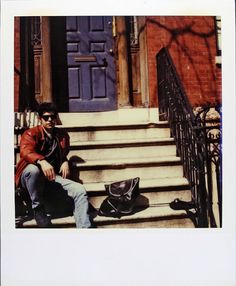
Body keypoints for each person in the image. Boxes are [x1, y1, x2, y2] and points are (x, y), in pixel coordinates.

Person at [15, 102, 92, 228]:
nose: (50, 120)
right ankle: (38, 209)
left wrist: (65, 161)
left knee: (79, 190)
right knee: (34, 170)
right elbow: (25, 151)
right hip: (30, 179)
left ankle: (85, 230)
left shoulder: (62, 135)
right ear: (40, 119)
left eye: (52, 117)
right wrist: (41, 161)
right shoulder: (30, 134)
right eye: (46, 117)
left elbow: (62, 153)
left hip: (51, 178)